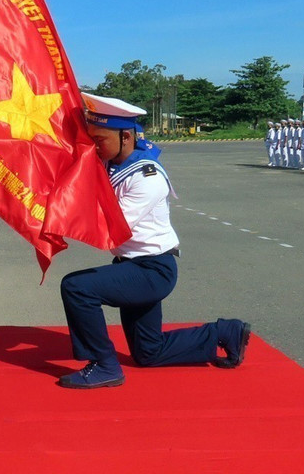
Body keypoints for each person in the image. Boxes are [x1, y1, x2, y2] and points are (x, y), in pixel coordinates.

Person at [56, 93, 250, 389]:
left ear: (126, 137)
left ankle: (104, 365)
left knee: (77, 287)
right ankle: (225, 332)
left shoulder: (147, 177)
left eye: (100, 139)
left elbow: (109, 228)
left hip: (152, 271)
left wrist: (57, 216)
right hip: (132, 266)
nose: (93, 146)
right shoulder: (111, 163)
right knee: (149, 352)